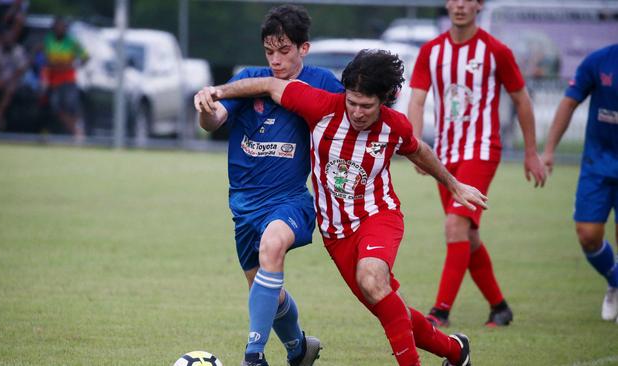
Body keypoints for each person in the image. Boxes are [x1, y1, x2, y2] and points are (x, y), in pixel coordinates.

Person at [196, 49, 486, 366]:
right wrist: (216, 92)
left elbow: (420, 151)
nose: (358, 112)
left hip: (378, 216)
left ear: (384, 101)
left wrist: (454, 184)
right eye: (352, 102)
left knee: (373, 280)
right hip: (337, 233)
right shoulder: (320, 106)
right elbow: (268, 84)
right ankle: (456, 351)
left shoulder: (394, 126)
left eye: (367, 106)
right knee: (385, 303)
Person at [194, 5, 343, 366]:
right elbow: (214, 122)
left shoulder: (322, 82)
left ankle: (253, 356)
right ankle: (298, 349)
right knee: (266, 292)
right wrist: (204, 107)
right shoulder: (250, 79)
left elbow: (350, 115)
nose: (275, 60)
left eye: (284, 51)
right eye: (269, 51)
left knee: (272, 245)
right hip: (244, 206)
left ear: (303, 48)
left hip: (290, 200)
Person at [407, 0, 547, 327]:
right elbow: (416, 98)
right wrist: (415, 145)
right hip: (444, 156)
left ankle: (439, 312)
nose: (459, 5)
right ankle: (500, 308)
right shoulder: (431, 51)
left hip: (482, 151)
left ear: (479, 5)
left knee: (455, 226)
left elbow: (521, 99)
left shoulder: (495, 50)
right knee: (467, 237)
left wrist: (530, 151)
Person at [542, 44, 618, 323]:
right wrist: (549, 150)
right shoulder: (599, 61)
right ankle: (615, 281)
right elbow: (569, 102)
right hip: (596, 165)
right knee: (588, 235)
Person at [42, 17, 88, 138]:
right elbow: (46, 59)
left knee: (71, 105)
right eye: (57, 26)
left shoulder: (71, 42)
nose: (59, 29)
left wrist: (74, 65)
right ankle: (75, 131)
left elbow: (85, 56)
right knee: (57, 108)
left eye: (62, 27)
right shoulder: (48, 40)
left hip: (68, 79)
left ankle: (78, 130)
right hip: (53, 80)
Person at [0, 33, 27, 130]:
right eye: (5, 40)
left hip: (15, 80)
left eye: (9, 40)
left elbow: (21, 70)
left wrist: (7, 81)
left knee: (9, 91)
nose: (7, 42)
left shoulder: (18, 51)